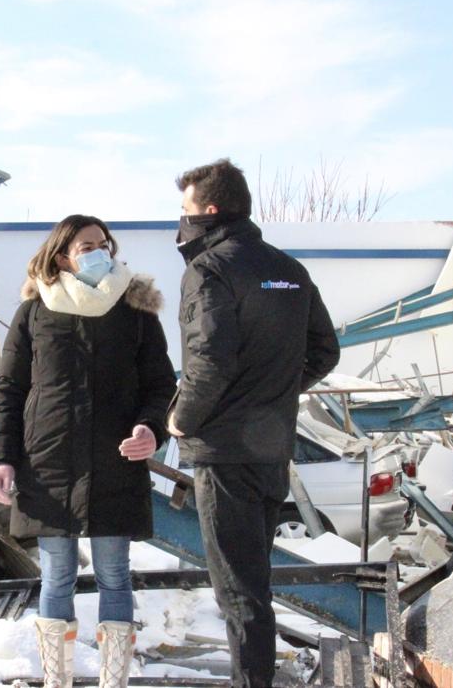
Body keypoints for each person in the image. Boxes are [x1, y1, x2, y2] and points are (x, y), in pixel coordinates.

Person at [166, 159, 340, 688]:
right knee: (253, 586)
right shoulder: (289, 268)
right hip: (270, 452)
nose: (181, 220)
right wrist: (272, 394)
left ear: (210, 210)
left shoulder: (209, 269)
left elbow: (209, 360)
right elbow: (324, 352)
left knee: (239, 594)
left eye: (186, 210)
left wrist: (180, 418)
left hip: (224, 453)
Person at [0, 214, 175, 688]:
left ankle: (115, 681)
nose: (98, 251)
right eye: (85, 245)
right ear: (62, 255)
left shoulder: (136, 310)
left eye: (102, 243)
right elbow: (10, 389)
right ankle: (58, 682)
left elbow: (161, 384)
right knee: (56, 575)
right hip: (48, 461)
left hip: (116, 459)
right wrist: (1, 457)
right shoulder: (34, 313)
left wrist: (152, 429)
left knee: (115, 573)